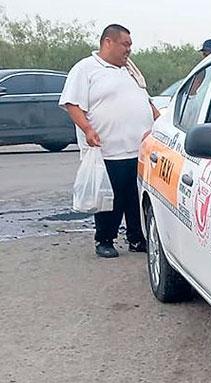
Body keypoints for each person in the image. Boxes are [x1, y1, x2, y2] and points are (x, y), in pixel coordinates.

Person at [59, 24, 159, 259]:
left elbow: (146, 101)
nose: (129, 50)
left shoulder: (129, 70)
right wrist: (87, 129)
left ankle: (137, 238)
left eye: (130, 46)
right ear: (108, 42)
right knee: (110, 197)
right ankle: (105, 239)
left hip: (138, 148)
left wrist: (161, 124)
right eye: (125, 45)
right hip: (107, 149)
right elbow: (72, 103)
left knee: (135, 197)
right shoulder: (86, 69)